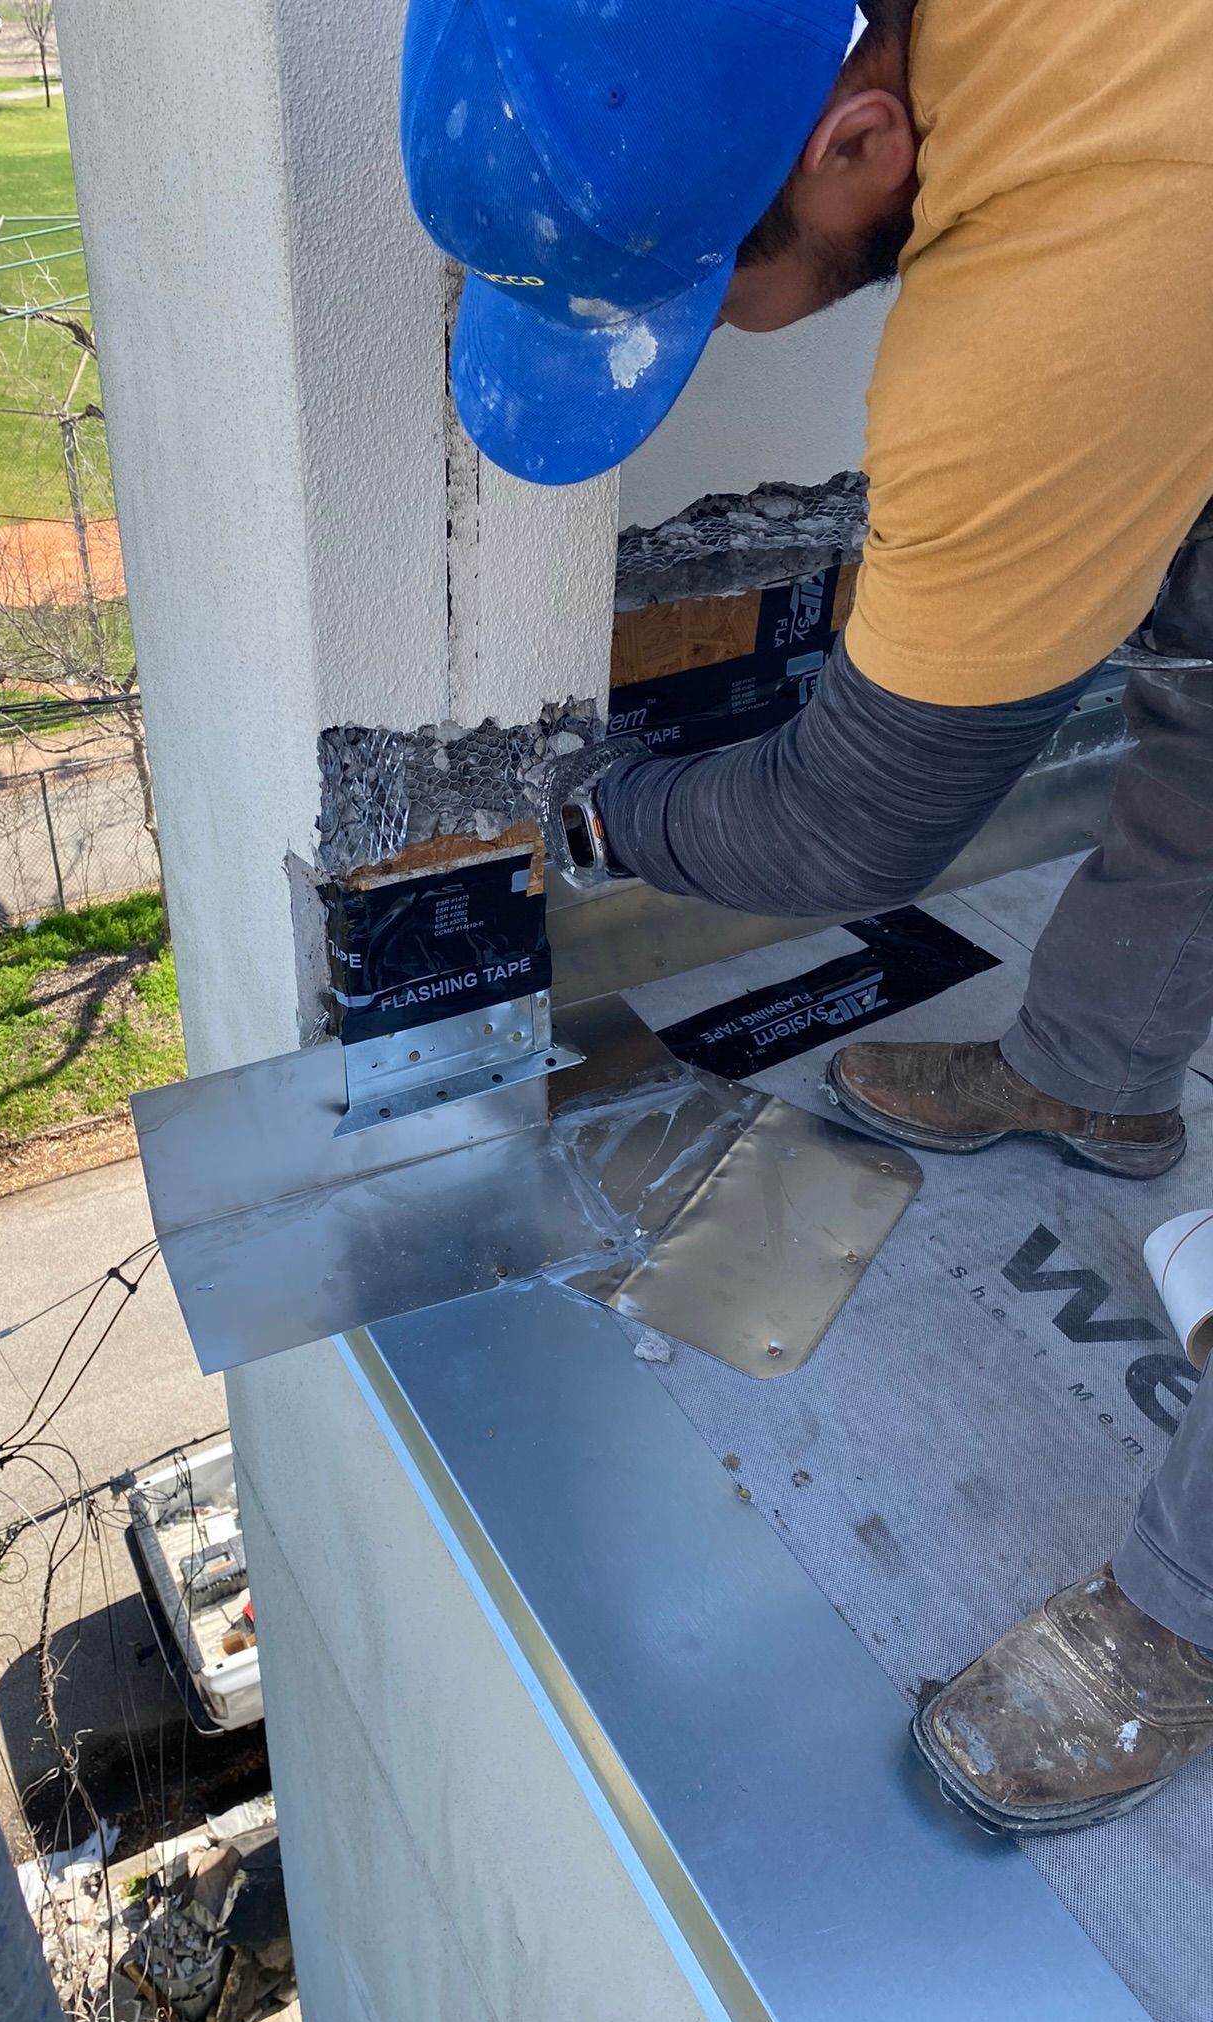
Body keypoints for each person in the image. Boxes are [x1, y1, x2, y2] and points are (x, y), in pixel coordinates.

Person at [400, 0, 1213, 1833]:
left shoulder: (1048, 305)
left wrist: (607, 815)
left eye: (697, 299)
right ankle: (1096, 1075)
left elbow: (852, 821)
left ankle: (1188, 1617)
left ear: (861, 146)